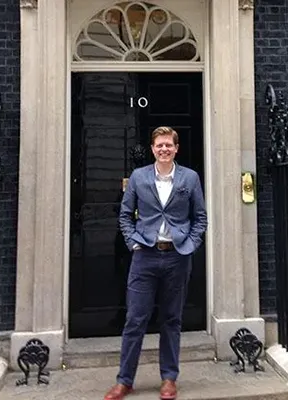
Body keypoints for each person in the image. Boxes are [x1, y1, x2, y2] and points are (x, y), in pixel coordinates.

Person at [104, 126, 208, 400]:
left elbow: (200, 217)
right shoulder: (139, 177)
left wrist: (191, 244)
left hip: (177, 256)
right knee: (135, 320)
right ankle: (124, 380)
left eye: (168, 145)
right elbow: (125, 215)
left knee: (171, 320)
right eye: (159, 145)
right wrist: (133, 243)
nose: (164, 149)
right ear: (152, 149)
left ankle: (169, 379)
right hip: (145, 256)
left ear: (176, 148)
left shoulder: (190, 178)